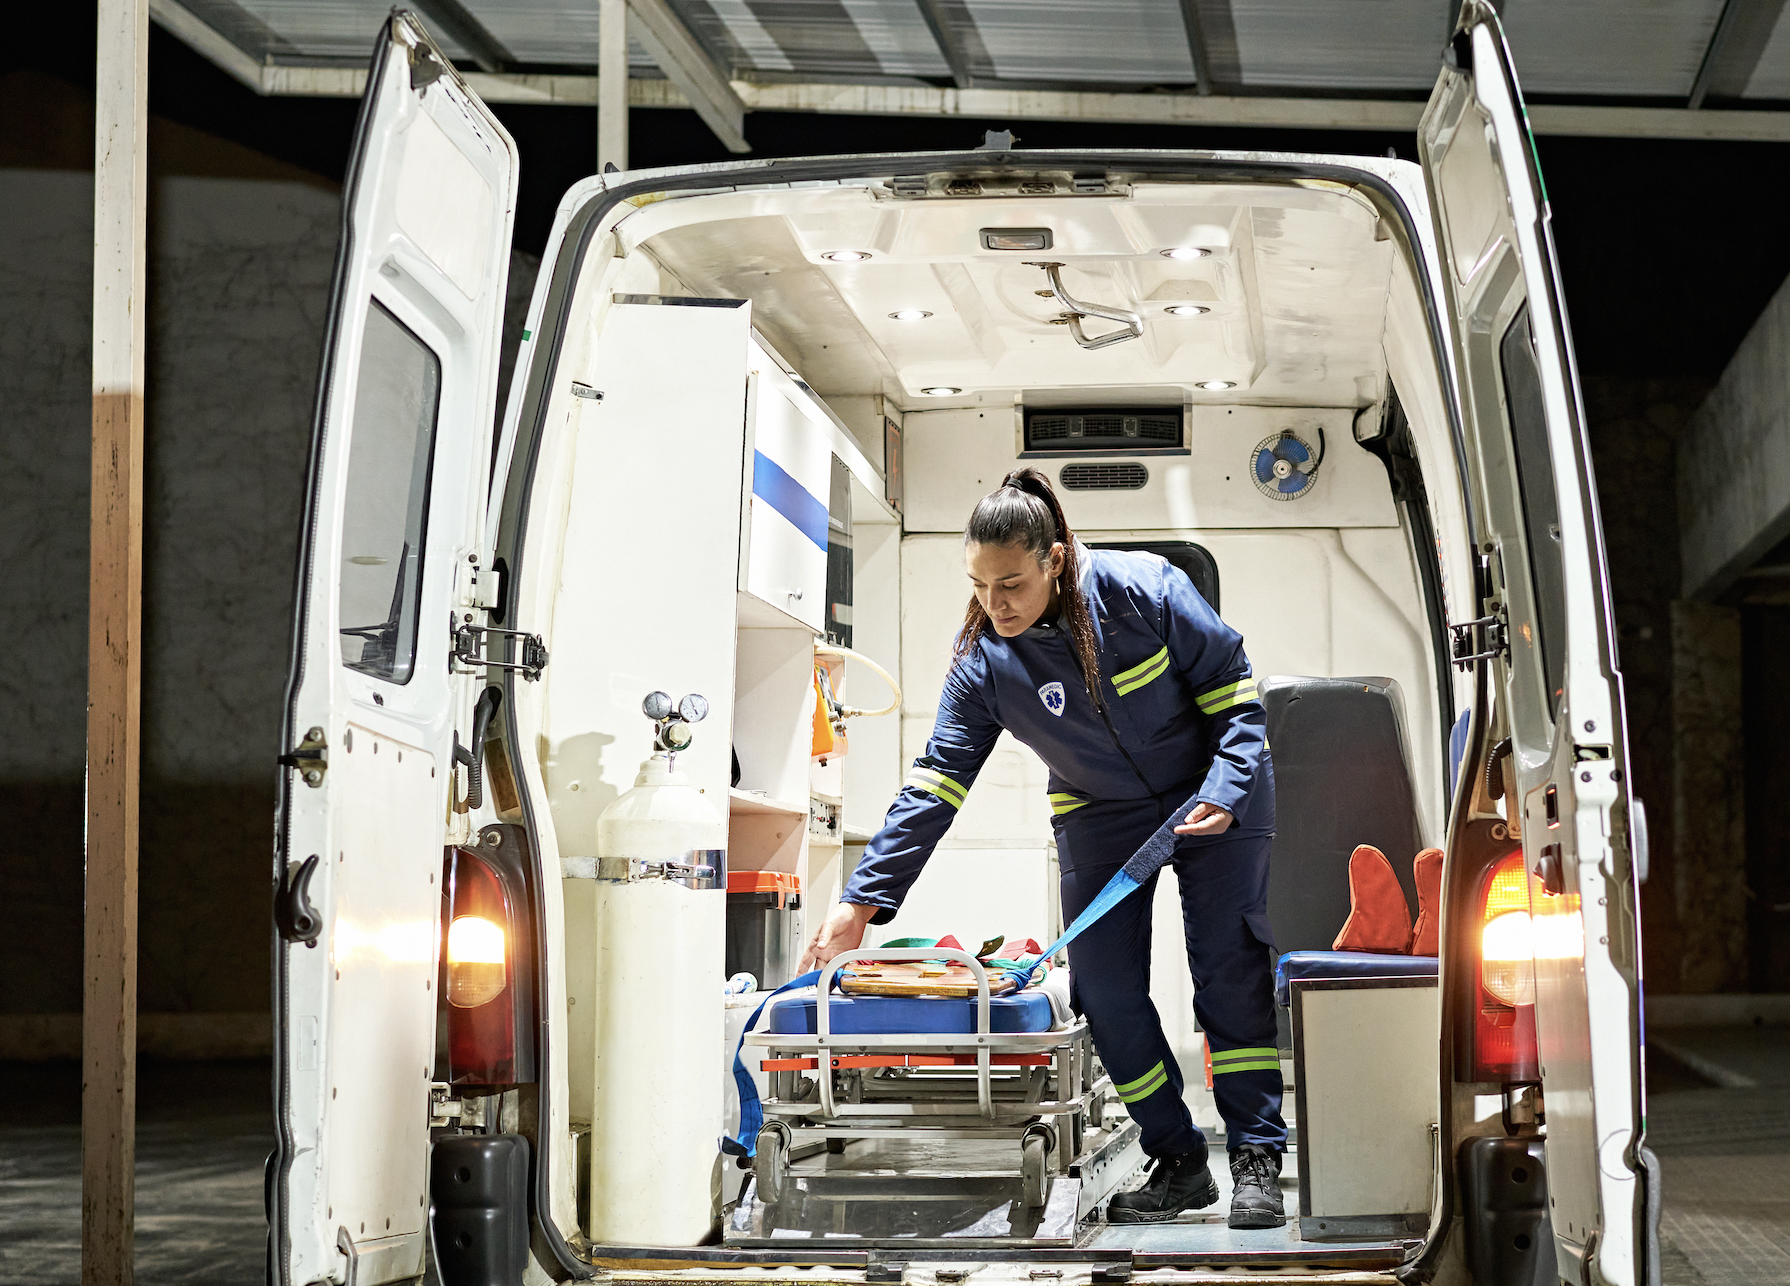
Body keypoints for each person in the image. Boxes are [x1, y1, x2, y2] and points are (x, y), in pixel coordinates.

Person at [798, 467, 1286, 1228]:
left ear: (1055, 559)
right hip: (1098, 810)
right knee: (1103, 988)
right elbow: (936, 785)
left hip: (1213, 790)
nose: (997, 604)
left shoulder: (1143, 589)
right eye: (981, 585)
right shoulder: (985, 662)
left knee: (1227, 968)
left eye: (1014, 584)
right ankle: (1180, 1158)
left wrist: (1225, 791)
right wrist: (862, 901)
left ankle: (1256, 1156)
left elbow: (1234, 692)